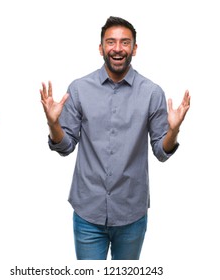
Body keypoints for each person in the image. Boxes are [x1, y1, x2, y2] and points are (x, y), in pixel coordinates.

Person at [39, 16, 191, 260]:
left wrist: (173, 130)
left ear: (134, 48)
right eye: (111, 42)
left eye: (125, 42)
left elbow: (161, 152)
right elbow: (65, 146)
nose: (118, 48)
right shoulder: (79, 89)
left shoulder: (152, 92)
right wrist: (53, 123)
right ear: (101, 48)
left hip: (131, 213)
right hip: (88, 211)